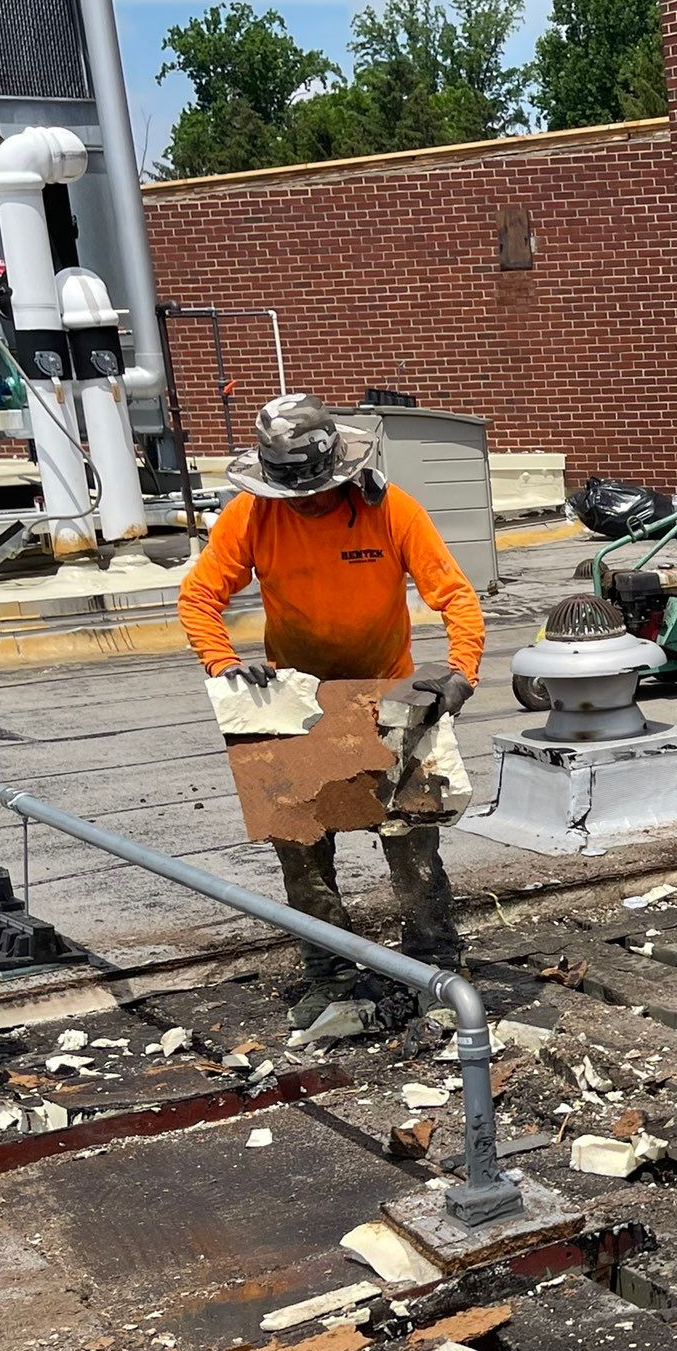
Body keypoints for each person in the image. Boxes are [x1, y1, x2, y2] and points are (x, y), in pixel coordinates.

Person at [176, 394, 486, 1028]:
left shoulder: (390, 510)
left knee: (411, 844)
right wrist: (223, 662)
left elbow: (454, 595)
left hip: (387, 696)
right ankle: (330, 973)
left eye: (318, 490)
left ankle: (436, 968)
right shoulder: (251, 516)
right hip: (295, 704)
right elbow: (199, 595)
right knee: (303, 846)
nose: (308, 503)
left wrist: (460, 675)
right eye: (295, 494)